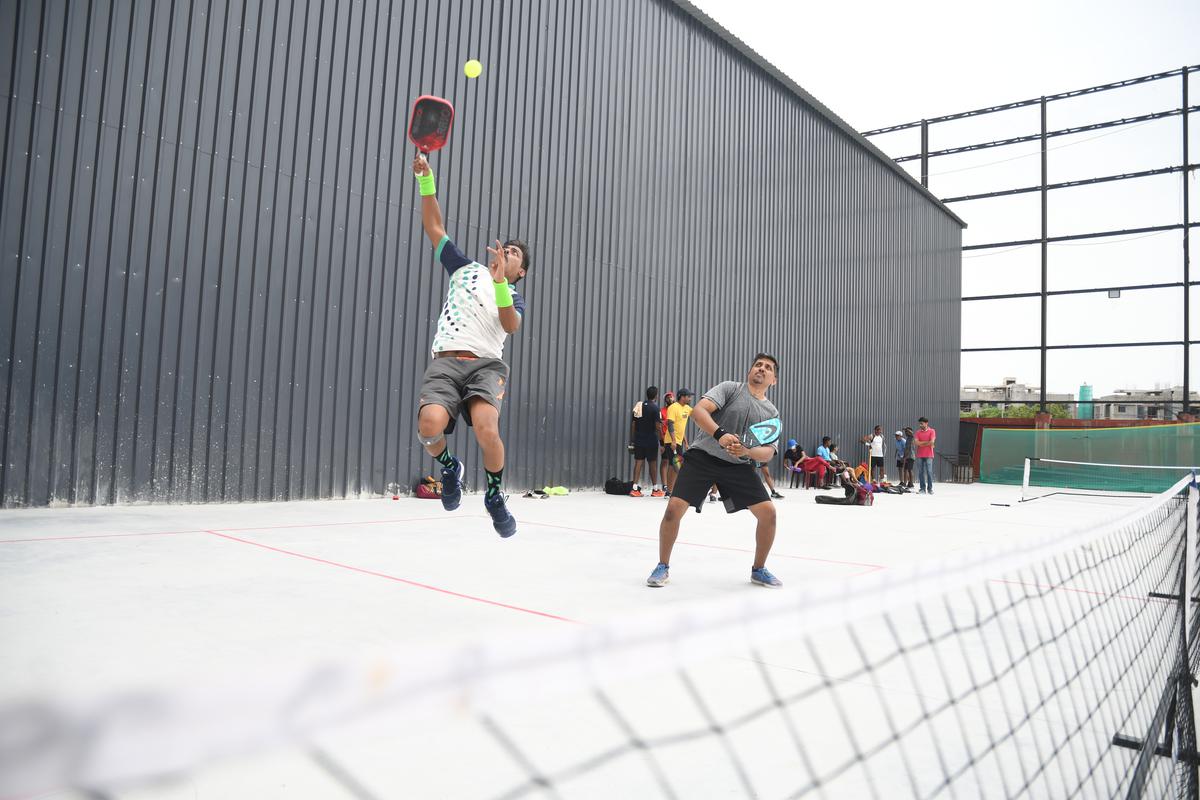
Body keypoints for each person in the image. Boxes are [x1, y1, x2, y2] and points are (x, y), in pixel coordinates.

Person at [411, 153, 530, 538]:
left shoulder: (511, 293)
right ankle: (450, 467)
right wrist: (425, 179)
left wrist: (499, 284)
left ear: (520, 271)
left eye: (514, 254)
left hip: (485, 366)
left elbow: (510, 326)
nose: (507, 252)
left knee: (486, 428)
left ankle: (494, 495)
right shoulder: (463, 268)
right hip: (446, 359)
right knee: (429, 424)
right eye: (505, 248)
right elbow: (433, 225)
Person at [646, 354, 784, 588]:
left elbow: (768, 452)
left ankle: (759, 569)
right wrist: (720, 435)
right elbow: (699, 412)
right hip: (703, 457)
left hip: (738, 466)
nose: (762, 369)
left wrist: (747, 452)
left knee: (768, 514)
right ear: (750, 371)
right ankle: (662, 566)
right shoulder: (730, 389)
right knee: (673, 509)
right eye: (758, 365)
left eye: (768, 368)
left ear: (774, 380)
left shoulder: (771, 413)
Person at [628, 386, 663, 497]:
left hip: (639, 439)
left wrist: (632, 439)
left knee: (638, 462)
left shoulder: (639, 406)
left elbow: (633, 424)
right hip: (651, 440)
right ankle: (655, 490)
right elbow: (658, 427)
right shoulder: (655, 408)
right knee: (652, 463)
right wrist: (661, 442)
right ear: (656, 396)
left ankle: (634, 489)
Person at [665, 389, 695, 496]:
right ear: (682, 397)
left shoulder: (687, 408)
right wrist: (673, 441)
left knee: (674, 466)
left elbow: (681, 428)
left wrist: (686, 443)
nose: (690, 398)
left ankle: (669, 491)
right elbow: (670, 424)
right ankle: (672, 491)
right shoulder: (673, 407)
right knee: (676, 465)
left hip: (679, 442)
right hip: (671, 441)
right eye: (688, 396)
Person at [659, 391, 677, 495]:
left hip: (676, 440)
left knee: (676, 462)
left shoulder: (677, 409)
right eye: (668, 397)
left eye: (671, 397)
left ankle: (673, 485)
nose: (670, 399)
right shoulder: (662, 411)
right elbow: (660, 427)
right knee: (665, 461)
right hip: (666, 440)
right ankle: (665, 485)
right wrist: (661, 443)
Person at [914, 417, 937, 494]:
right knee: (921, 472)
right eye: (919, 424)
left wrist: (921, 443)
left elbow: (932, 442)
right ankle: (922, 489)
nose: (920, 425)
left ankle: (930, 489)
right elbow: (916, 443)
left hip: (929, 455)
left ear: (926, 423)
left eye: (922, 423)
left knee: (929, 472)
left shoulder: (932, 431)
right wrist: (927, 442)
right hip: (920, 455)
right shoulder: (917, 432)